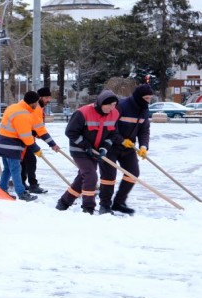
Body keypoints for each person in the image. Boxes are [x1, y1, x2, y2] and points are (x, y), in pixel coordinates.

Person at [56, 90, 123, 214]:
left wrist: (104, 148)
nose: (111, 108)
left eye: (114, 105)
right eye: (108, 105)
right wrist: (86, 146)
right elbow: (70, 132)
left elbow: (113, 134)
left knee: (83, 177)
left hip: (96, 151)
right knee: (91, 175)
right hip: (79, 150)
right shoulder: (83, 112)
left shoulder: (114, 114)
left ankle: (64, 202)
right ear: (101, 103)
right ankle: (88, 207)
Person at [98, 84, 153, 215]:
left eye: (150, 98)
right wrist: (121, 140)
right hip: (110, 145)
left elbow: (144, 130)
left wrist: (143, 146)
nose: (148, 100)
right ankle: (104, 205)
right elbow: (111, 126)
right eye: (146, 97)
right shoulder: (121, 105)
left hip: (129, 147)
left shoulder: (144, 110)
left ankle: (119, 202)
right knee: (109, 176)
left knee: (133, 173)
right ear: (139, 97)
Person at [0, 91, 43, 202]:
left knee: (8, 169)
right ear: (33, 103)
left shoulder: (13, 107)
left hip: (2, 143)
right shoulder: (22, 114)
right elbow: (26, 136)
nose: (37, 105)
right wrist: (36, 149)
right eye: (37, 102)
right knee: (16, 169)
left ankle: (2, 187)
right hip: (11, 146)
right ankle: (21, 193)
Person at [21, 87, 59, 194]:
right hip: (25, 137)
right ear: (40, 97)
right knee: (30, 160)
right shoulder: (36, 107)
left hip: (27, 137)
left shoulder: (39, 107)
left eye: (49, 97)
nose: (48, 100)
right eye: (46, 97)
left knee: (25, 161)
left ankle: (22, 182)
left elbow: (37, 127)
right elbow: (39, 128)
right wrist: (52, 143)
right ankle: (32, 185)